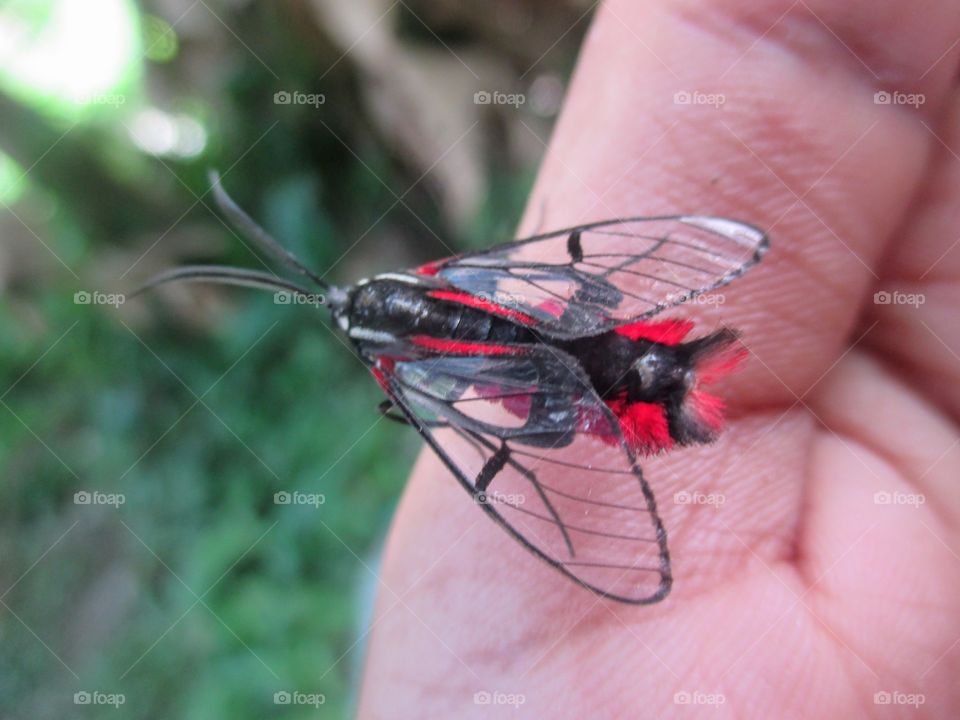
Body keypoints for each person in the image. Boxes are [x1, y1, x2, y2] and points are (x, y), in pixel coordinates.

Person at [358, 0, 960, 715]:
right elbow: (508, 279)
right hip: (595, 354)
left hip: (580, 385)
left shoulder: (412, 374)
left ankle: (631, 381)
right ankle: (640, 377)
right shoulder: (432, 322)